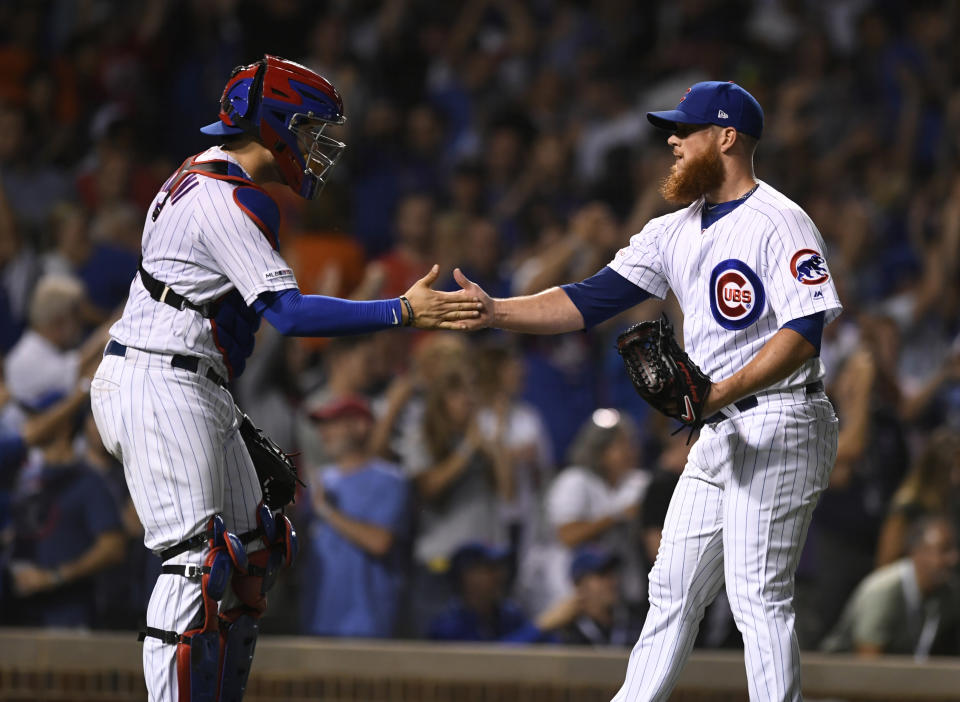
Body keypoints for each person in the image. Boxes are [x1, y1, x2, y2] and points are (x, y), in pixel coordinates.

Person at [88, 55, 479, 702]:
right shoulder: (224, 198)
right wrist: (404, 310)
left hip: (192, 380)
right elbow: (290, 316)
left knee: (255, 551)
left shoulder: (205, 176)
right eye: (307, 130)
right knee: (196, 561)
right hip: (158, 380)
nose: (316, 147)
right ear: (270, 124)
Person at [449, 81, 842, 701]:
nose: (674, 142)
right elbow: (587, 300)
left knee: (756, 594)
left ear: (727, 138)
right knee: (671, 590)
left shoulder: (781, 220)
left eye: (686, 131)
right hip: (717, 428)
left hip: (783, 420)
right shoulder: (672, 230)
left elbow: (804, 332)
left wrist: (719, 391)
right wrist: (498, 311)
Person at [300, 395, 410, 638]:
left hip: (366, 623)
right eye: (322, 425)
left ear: (360, 426)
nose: (324, 433)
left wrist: (328, 512)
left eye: (334, 423)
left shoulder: (389, 480)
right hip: (318, 618)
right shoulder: (319, 483)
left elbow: (380, 542)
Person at [820, 514, 960, 658]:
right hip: (841, 672)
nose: (954, 558)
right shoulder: (884, 591)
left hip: (902, 673)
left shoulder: (948, 593)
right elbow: (868, 661)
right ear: (917, 553)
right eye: (944, 550)